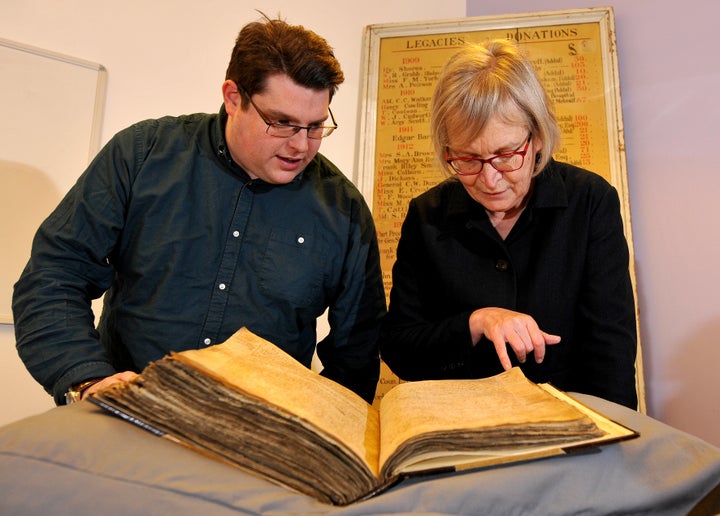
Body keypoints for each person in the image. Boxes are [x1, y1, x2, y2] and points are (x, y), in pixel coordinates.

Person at [12, 14, 386, 406]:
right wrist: (88, 380)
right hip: (124, 423)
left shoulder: (342, 210)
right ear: (233, 97)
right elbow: (52, 278)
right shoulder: (142, 155)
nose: (300, 145)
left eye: (315, 126)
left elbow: (357, 353)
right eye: (282, 123)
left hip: (259, 448)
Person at [378, 40, 638, 409]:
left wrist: (613, 448)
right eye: (467, 158)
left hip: (569, 432)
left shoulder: (590, 202)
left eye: (505, 156)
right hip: (462, 432)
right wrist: (476, 321)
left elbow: (611, 352)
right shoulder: (427, 215)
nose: (489, 179)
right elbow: (400, 348)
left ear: (537, 138)